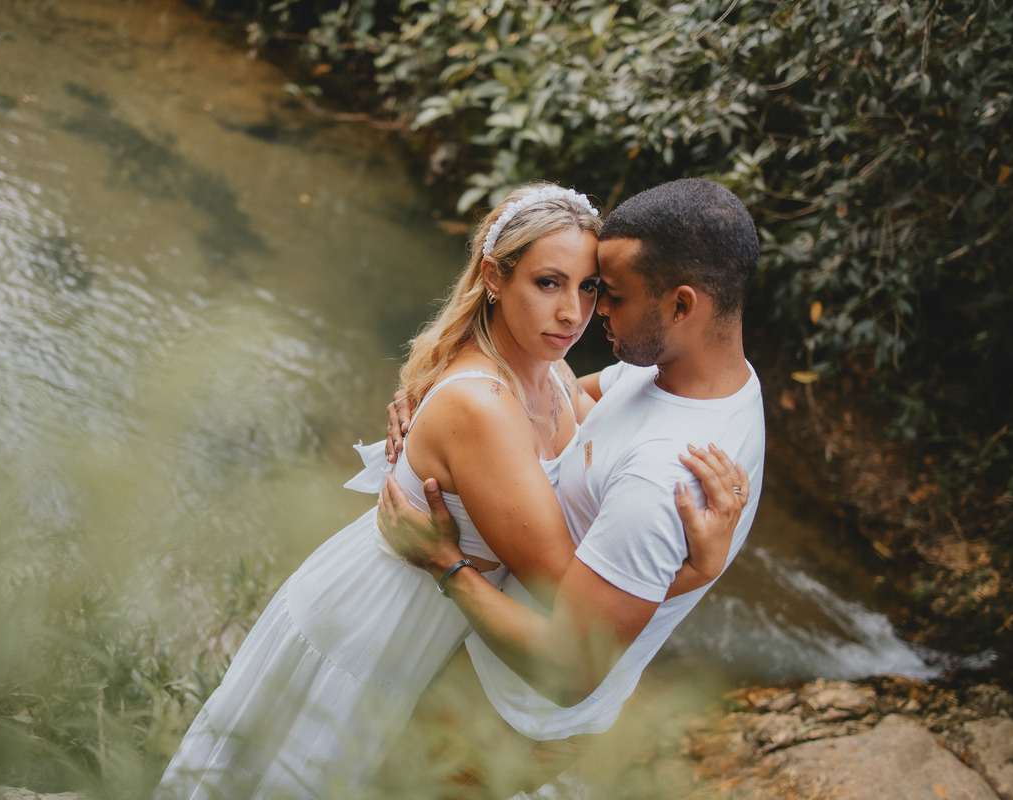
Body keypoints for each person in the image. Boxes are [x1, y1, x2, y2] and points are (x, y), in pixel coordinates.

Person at [154, 182, 745, 800]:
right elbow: (567, 595)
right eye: (548, 283)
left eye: (590, 286)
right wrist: (695, 571)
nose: (574, 313)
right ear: (493, 277)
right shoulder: (483, 407)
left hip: (442, 625)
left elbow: (599, 406)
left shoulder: (549, 367)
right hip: (386, 618)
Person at [378, 177, 766, 791]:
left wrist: (445, 564)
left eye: (609, 293)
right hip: (488, 672)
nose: (592, 311)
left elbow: (570, 669)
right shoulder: (686, 379)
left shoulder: (663, 476)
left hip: (509, 715)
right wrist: (441, 401)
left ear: (681, 306)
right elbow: (560, 396)